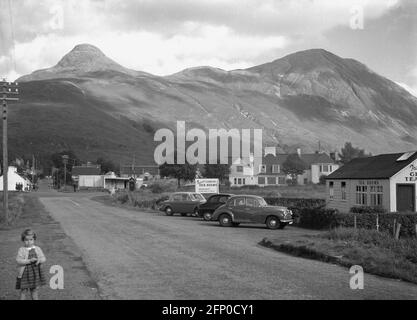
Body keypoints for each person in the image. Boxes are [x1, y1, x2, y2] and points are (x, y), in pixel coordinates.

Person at [16, 229, 47, 300]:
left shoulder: (38, 249)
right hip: (24, 274)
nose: (29, 242)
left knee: (34, 290)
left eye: (31, 239)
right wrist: (29, 261)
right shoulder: (22, 249)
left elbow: (43, 258)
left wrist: (39, 260)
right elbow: (18, 260)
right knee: (23, 290)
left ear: (34, 239)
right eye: (26, 240)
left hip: (35, 273)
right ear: (23, 240)